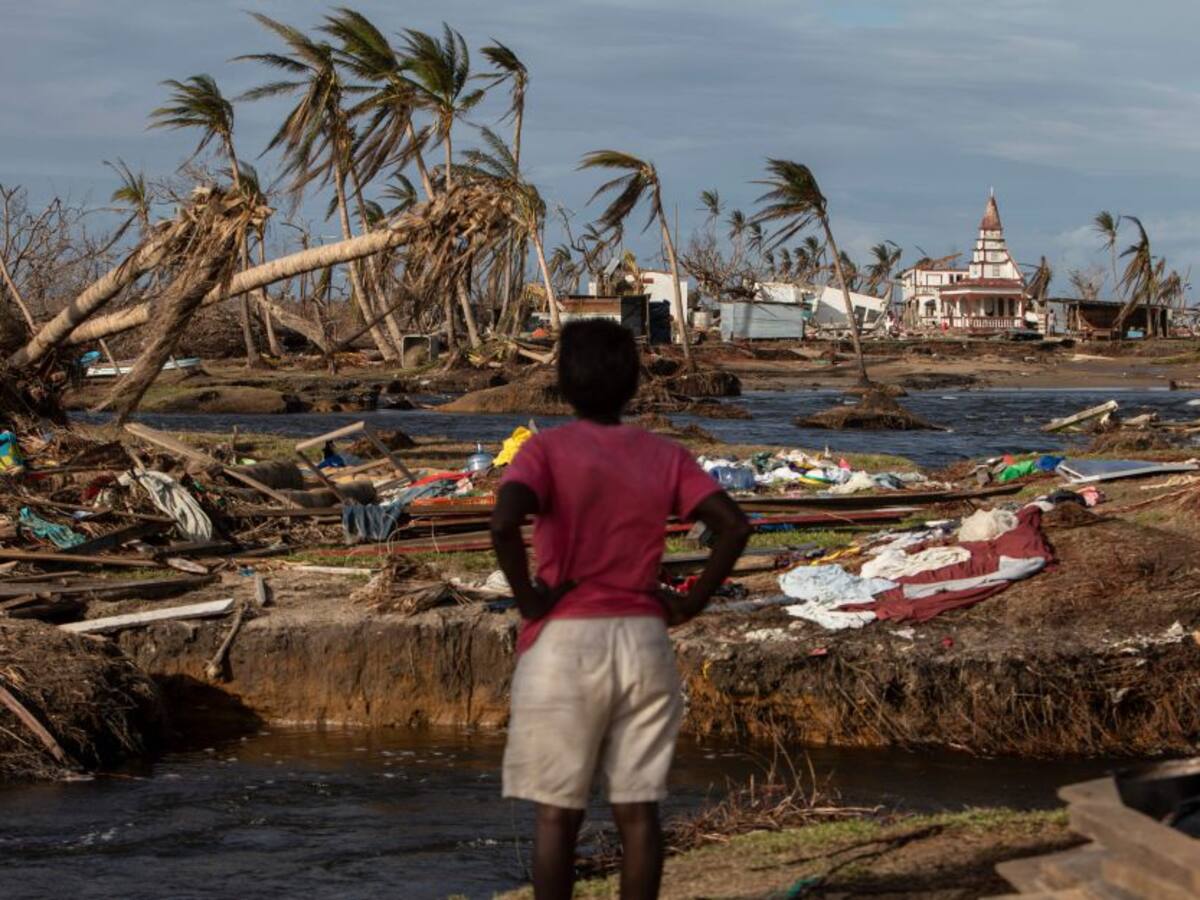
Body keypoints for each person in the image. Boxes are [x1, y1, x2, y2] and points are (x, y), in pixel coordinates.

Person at [490, 320, 751, 900]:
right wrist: (689, 604)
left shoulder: (544, 451)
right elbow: (733, 527)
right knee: (638, 814)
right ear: (634, 382)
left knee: (557, 816)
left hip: (561, 643)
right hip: (640, 640)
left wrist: (530, 599)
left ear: (560, 381)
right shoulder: (662, 453)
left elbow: (505, 521)